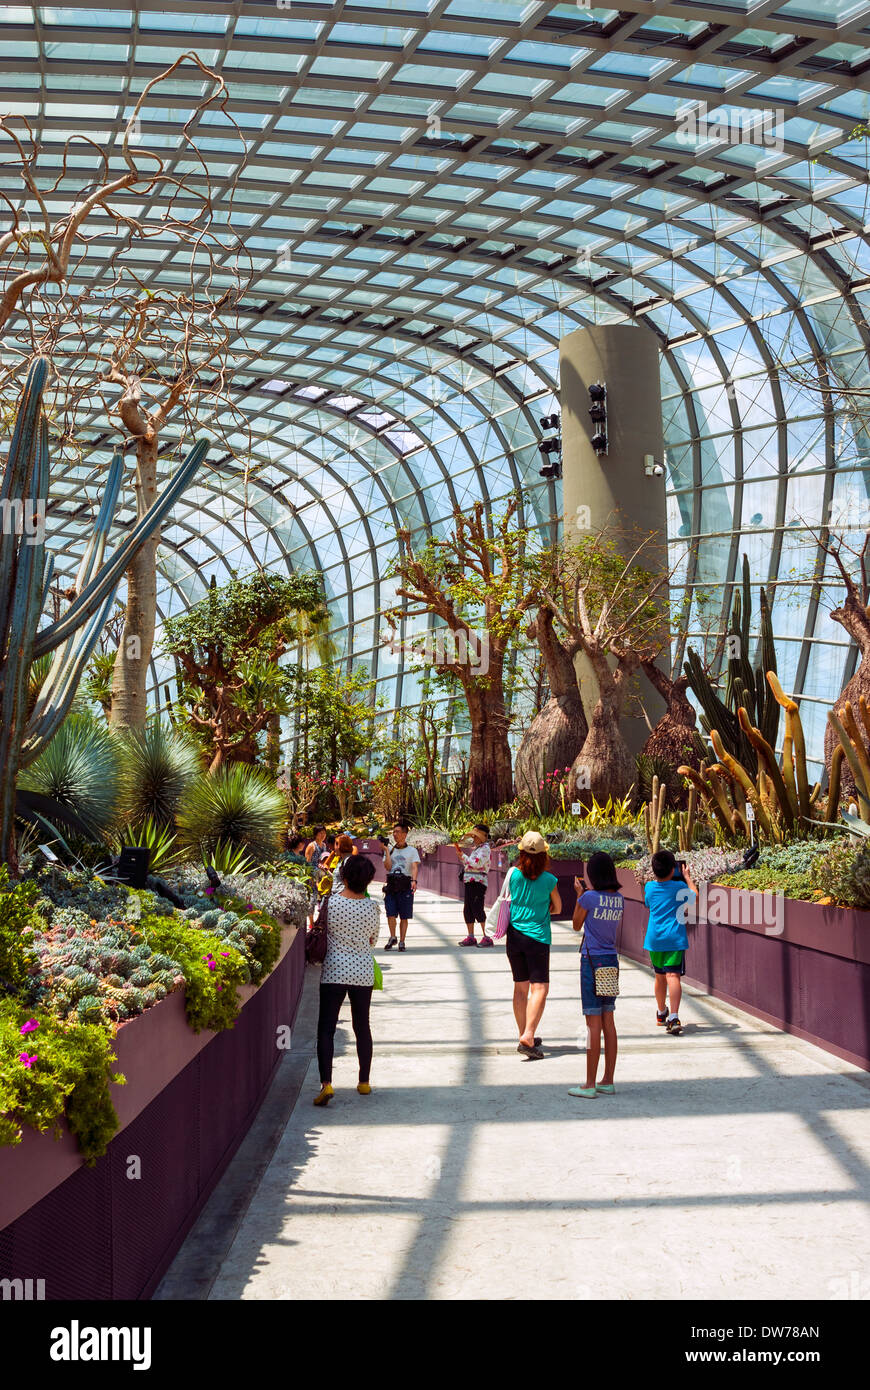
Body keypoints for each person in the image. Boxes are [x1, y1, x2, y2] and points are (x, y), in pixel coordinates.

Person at [313, 853, 381, 1106]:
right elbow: (373, 940)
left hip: (334, 970)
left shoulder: (331, 903)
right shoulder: (373, 907)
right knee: (362, 1025)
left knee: (326, 1028)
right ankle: (363, 1082)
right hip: (363, 972)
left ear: (344, 876)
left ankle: (327, 1084)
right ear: (369, 880)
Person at [568, 850, 623, 1099]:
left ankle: (589, 1084)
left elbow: (576, 924)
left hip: (591, 962)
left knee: (592, 1023)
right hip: (611, 960)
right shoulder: (619, 898)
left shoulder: (589, 897)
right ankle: (607, 1080)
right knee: (608, 1021)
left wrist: (580, 895)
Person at [502, 831, 560, 1059]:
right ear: (544, 854)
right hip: (538, 937)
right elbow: (558, 908)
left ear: (522, 853)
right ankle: (528, 1035)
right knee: (540, 988)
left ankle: (524, 1034)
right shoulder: (549, 880)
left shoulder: (513, 875)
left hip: (514, 936)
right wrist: (542, 909)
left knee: (520, 987)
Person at [643, 849, 698, 1036]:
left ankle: (661, 1013)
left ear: (654, 870)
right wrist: (687, 877)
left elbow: (648, 904)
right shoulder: (678, 888)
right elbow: (694, 896)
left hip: (654, 939)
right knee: (673, 976)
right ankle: (673, 1017)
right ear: (673, 868)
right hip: (674, 939)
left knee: (659, 977)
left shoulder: (649, 887)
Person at [382, 820, 420, 952]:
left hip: (405, 884)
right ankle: (393, 936)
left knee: (404, 915)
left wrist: (414, 881)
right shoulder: (391, 849)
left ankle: (402, 941)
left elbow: (414, 866)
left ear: (405, 834)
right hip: (392, 884)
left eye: (397, 832)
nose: (395, 835)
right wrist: (387, 851)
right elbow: (387, 867)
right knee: (390, 913)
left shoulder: (412, 851)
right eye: (393, 832)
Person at [454, 824, 492, 946]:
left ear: (483, 837)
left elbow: (477, 863)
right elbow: (471, 864)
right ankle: (471, 936)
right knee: (468, 909)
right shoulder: (478, 848)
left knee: (477, 908)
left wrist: (464, 857)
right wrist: (463, 858)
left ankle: (487, 937)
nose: (474, 839)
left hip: (478, 882)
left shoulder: (485, 848)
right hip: (470, 881)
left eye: (476, 836)